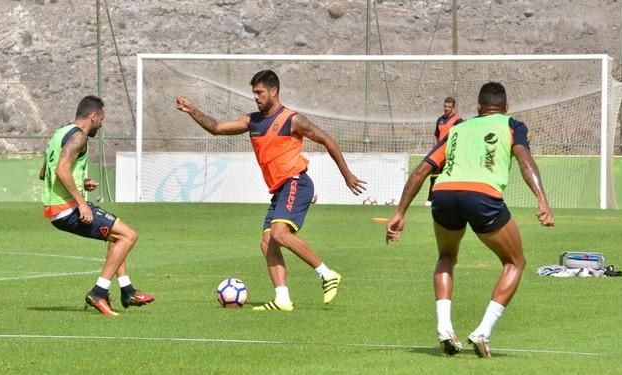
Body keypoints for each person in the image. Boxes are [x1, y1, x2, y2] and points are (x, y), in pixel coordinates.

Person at [386, 82, 554, 357]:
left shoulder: (457, 128)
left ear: (478, 107)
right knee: (515, 261)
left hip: (443, 194)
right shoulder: (512, 125)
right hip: (482, 196)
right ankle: (482, 332)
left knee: (446, 256)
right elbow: (525, 161)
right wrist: (542, 199)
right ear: (506, 107)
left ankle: (444, 328)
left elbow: (420, 171)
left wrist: (400, 213)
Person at [176, 70, 366, 312]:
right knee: (268, 242)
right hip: (280, 189)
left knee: (278, 234)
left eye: (259, 92)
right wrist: (192, 109)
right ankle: (282, 299)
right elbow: (217, 127)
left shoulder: (292, 119)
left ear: (273, 91)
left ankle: (326, 274)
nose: (255, 97)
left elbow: (328, 139)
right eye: (254, 93)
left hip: (296, 181)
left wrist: (346, 174)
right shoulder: (252, 121)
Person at [40, 95, 154, 316]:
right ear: (93, 116)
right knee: (129, 236)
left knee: (117, 237)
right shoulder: (79, 137)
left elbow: (44, 172)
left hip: (57, 207)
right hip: (68, 208)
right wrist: (82, 203)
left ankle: (127, 290)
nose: (101, 125)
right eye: (101, 119)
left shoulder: (59, 133)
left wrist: (81, 183)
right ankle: (99, 292)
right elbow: (61, 170)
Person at [426, 97, 463, 206]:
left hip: (451, 153)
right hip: (439, 152)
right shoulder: (440, 120)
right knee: (434, 175)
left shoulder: (458, 120)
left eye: (449, 107)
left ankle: (452, 201)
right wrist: (434, 150)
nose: (446, 109)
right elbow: (436, 136)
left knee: (450, 176)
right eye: (445, 106)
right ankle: (430, 199)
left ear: (453, 107)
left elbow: (460, 136)